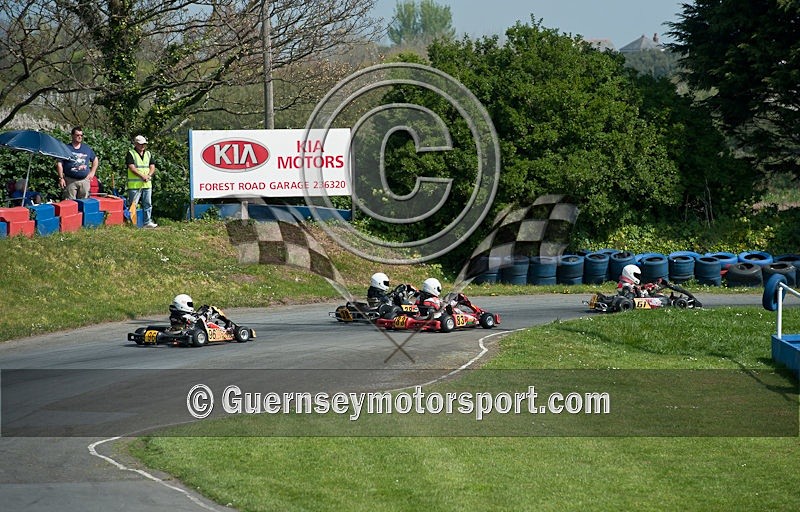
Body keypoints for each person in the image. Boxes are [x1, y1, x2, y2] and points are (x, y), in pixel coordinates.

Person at [57, 126, 98, 200]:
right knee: (70, 204)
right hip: (70, 181)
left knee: (85, 203)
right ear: (72, 135)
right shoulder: (66, 148)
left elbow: (95, 160)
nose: (80, 137)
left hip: (84, 181)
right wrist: (61, 178)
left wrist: (92, 172)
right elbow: (59, 163)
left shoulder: (86, 148)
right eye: (77, 135)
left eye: (81, 135)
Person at [126, 134, 158, 228]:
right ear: (135, 144)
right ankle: (132, 223)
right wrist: (142, 176)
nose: (142, 146)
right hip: (134, 185)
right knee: (133, 205)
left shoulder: (148, 153)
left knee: (148, 204)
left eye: (144, 144)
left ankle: (147, 222)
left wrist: (149, 175)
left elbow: (152, 166)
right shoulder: (131, 153)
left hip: (147, 184)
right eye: (140, 144)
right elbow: (131, 167)